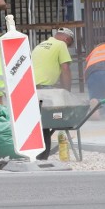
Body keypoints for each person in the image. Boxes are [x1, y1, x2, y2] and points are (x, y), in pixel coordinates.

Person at [30, 27, 75, 160]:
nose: (67, 46)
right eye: (69, 44)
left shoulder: (40, 45)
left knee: (38, 121)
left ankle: (37, 152)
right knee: (47, 121)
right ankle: (43, 156)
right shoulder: (61, 44)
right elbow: (65, 69)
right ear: (67, 39)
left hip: (32, 87)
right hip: (45, 89)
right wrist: (67, 92)